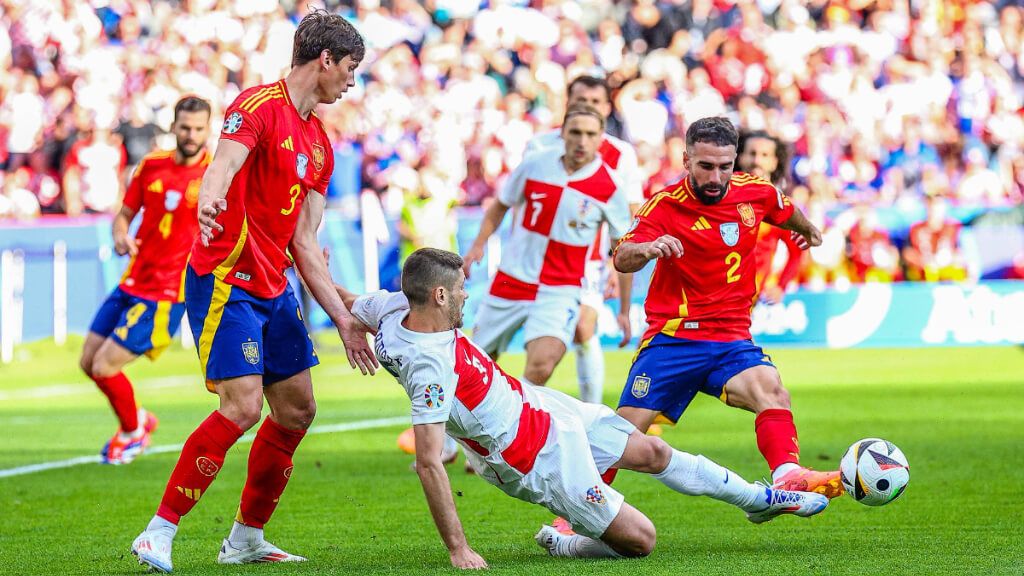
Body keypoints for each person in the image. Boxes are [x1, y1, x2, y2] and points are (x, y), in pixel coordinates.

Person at [341, 248, 828, 568]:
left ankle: (761, 500)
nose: (468, 294)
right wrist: (459, 550)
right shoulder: (429, 366)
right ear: (439, 294)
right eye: (462, 287)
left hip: (544, 407)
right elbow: (429, 462)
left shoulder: (394, 309)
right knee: (641, 540)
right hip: (535, 458)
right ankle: (564, 540)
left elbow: (346, 301)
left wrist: (325, 288)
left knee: (653, 452)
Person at [130, 11, 375, 573]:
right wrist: (209, 201)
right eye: (350, 67)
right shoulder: (258, 105)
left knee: (297, 410)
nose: (352, 80)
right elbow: (222, 168)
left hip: (274, 286)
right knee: (241, 406)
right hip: (226, 278)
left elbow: (305, 243)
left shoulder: (320, 144)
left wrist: (342, 319)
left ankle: (245, 537)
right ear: (325, 60)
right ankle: (158, 532)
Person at [610, 117, 844, 504]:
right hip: (674, 338)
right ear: (686, 160)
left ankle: (788, 476)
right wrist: (648, 249)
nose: (716, 177)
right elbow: (622, 256)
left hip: (730, 337)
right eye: (706, 166)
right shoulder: (665, 206)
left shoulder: (755, 192)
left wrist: (808, 230)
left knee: (772, 390)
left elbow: (784, 208)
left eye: (725, 166)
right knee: (619, 437)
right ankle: (574, 514)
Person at [462, 103, 633, 393]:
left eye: (590, 134)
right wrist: (477, 246)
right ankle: (464, 423)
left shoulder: (610, 187)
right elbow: (500, 206)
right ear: (562, 133)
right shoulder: (535, 164)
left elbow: (624, 251)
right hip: (512, 278)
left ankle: (513, 414)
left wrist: (624, 311)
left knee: (543, 364)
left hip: (560, 288)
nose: (582, 141)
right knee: (475, 365)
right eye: (575, 132)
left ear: (601, 138)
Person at [79, 95, 212, 465]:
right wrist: (120, 235)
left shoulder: (215, 175)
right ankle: (137, 419)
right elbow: (123, 215)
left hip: (167, 292)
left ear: (207, 130)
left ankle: (132, 433)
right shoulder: (152, 165)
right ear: (173, 126)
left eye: (198, 129)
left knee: (105, 366)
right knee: (88, 362)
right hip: (133, 279)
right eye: (185, 127)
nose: (191, 135)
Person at [524, 74, 644, 405]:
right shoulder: (540, 145)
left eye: (595, 102)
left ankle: (592, 414)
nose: (588, 107)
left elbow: (631, 213)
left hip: (587, 260)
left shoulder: (621, 154)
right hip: (531, 260)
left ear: (606, 107)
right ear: (568, 104)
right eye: (580, 101)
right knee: (524, 347)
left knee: (583, 328)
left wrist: (616, 262)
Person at [736, 130, 803, 303]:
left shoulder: (782, 208)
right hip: (714, 298)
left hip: (751, 301)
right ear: (740, 157)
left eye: (764, 155)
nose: (757, 160)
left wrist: (781, 285)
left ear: (774, 162)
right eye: (752, 153)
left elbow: (797, 252)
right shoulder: (720, 198)